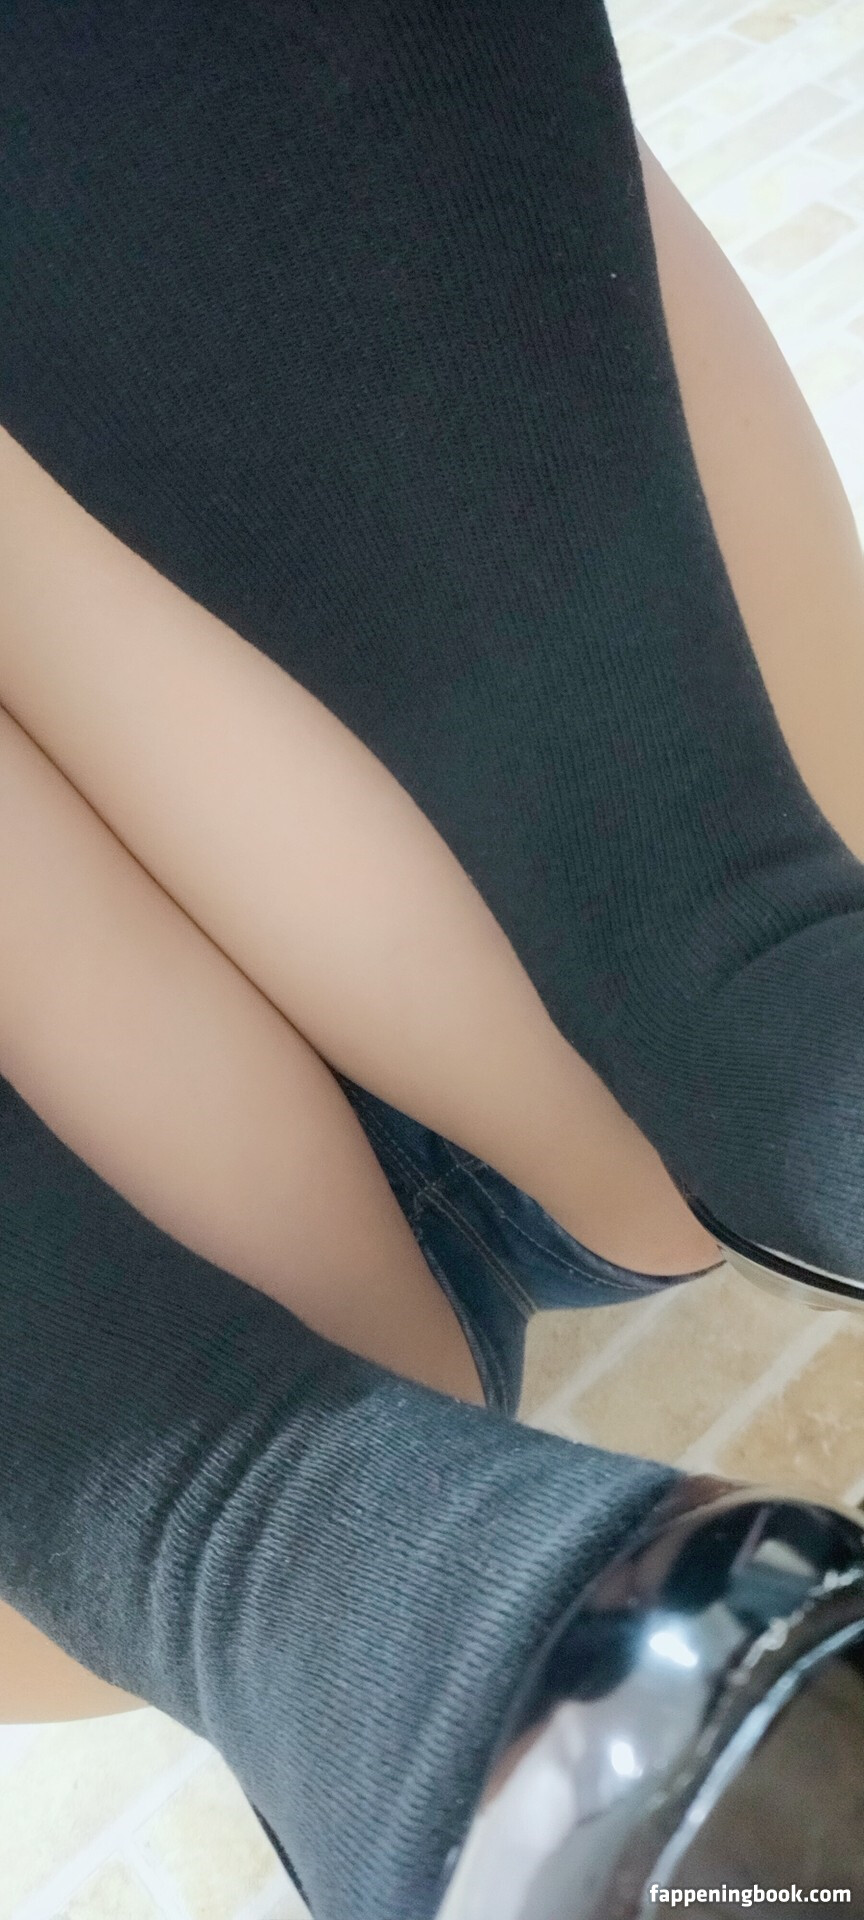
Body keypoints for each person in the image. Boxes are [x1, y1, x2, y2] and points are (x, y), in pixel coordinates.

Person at [2, 3, 864, 1914]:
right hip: (629, 871)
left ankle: (358, 1600)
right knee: (758, 971)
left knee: (233, 1503)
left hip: (173, 1459)